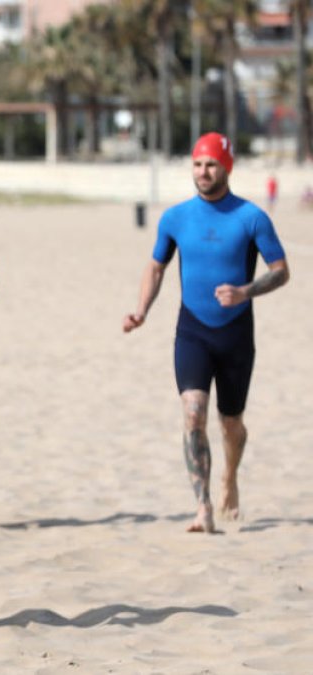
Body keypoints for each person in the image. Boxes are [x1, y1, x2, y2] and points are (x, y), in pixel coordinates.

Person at [123, 132, 290, 534]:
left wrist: (245, 292)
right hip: (193, 330)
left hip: (235, 335)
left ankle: (229, 475)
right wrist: (142, 309)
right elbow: (157, 267)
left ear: (226, 167)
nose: (203, 171)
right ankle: (203, 506)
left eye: (211, 164)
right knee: (193, 413)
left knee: (231, 423)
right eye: (197, 164)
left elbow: (282, 271)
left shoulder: (251, 218)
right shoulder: (175, 218)